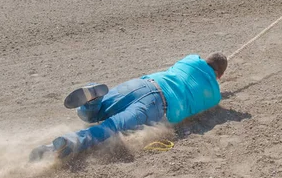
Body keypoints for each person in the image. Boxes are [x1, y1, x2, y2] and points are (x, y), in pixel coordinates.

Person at [29, 53, 228, 161]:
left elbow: (198, 65)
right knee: (111, 127)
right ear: (219, 76)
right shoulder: (214, 96)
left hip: (140, 85)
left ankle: (92, 99)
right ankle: (67, 142)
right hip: (157, 104)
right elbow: (208, 92)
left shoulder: (191, 58)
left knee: (94, 114)